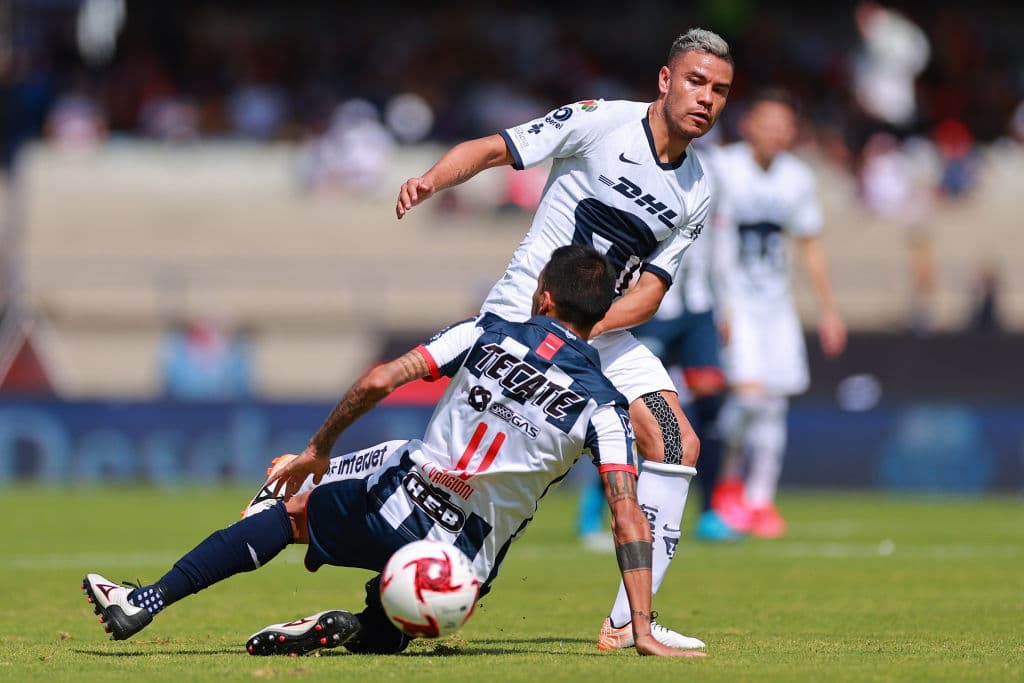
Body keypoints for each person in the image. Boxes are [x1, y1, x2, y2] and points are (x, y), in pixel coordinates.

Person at [81, 246, 697, 659]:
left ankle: (145, 600)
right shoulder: (607, 405)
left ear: (542, 296)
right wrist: (639, 628)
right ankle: (361, 627)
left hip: (399, 498)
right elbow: (626, 514)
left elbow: (380, 380)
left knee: (289, 516)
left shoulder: (485, 331)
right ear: (600, 318)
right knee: (409, 617)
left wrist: (319, 449)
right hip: (461, 568)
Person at [395, 28, 733, 651]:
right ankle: (329, 516)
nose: (706, 99)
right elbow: (495, 149)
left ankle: (631, 621)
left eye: (719, 90)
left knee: (678, 439)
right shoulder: (600, 122)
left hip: (599, 332)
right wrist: (431, 180)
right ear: (664, 80)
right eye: (694, 81)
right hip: (525, 319)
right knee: (455, 478)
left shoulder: (697, 189)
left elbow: (653, 289)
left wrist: (591, 328)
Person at [710, 89, 847, 538]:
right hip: (734, 302)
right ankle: (727, 485)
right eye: (766, 122)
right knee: (748, 397)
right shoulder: (723, 168)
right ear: (748, 124)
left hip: (776, 307)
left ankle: (760, 500)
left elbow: (811, 246)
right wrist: (716, 302)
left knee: (774, 403)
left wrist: (828, 311)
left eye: (783, 125)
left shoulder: (796, 178)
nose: (774, 132)